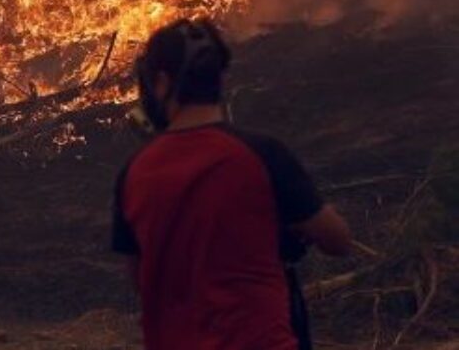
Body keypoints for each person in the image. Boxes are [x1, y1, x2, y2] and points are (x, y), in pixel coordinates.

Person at [112, 18, 353, 350]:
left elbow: (141, 279)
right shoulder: (263, 154)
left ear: (162, 83)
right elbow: (338, 240)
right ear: (221, 78)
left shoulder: (134, 173)